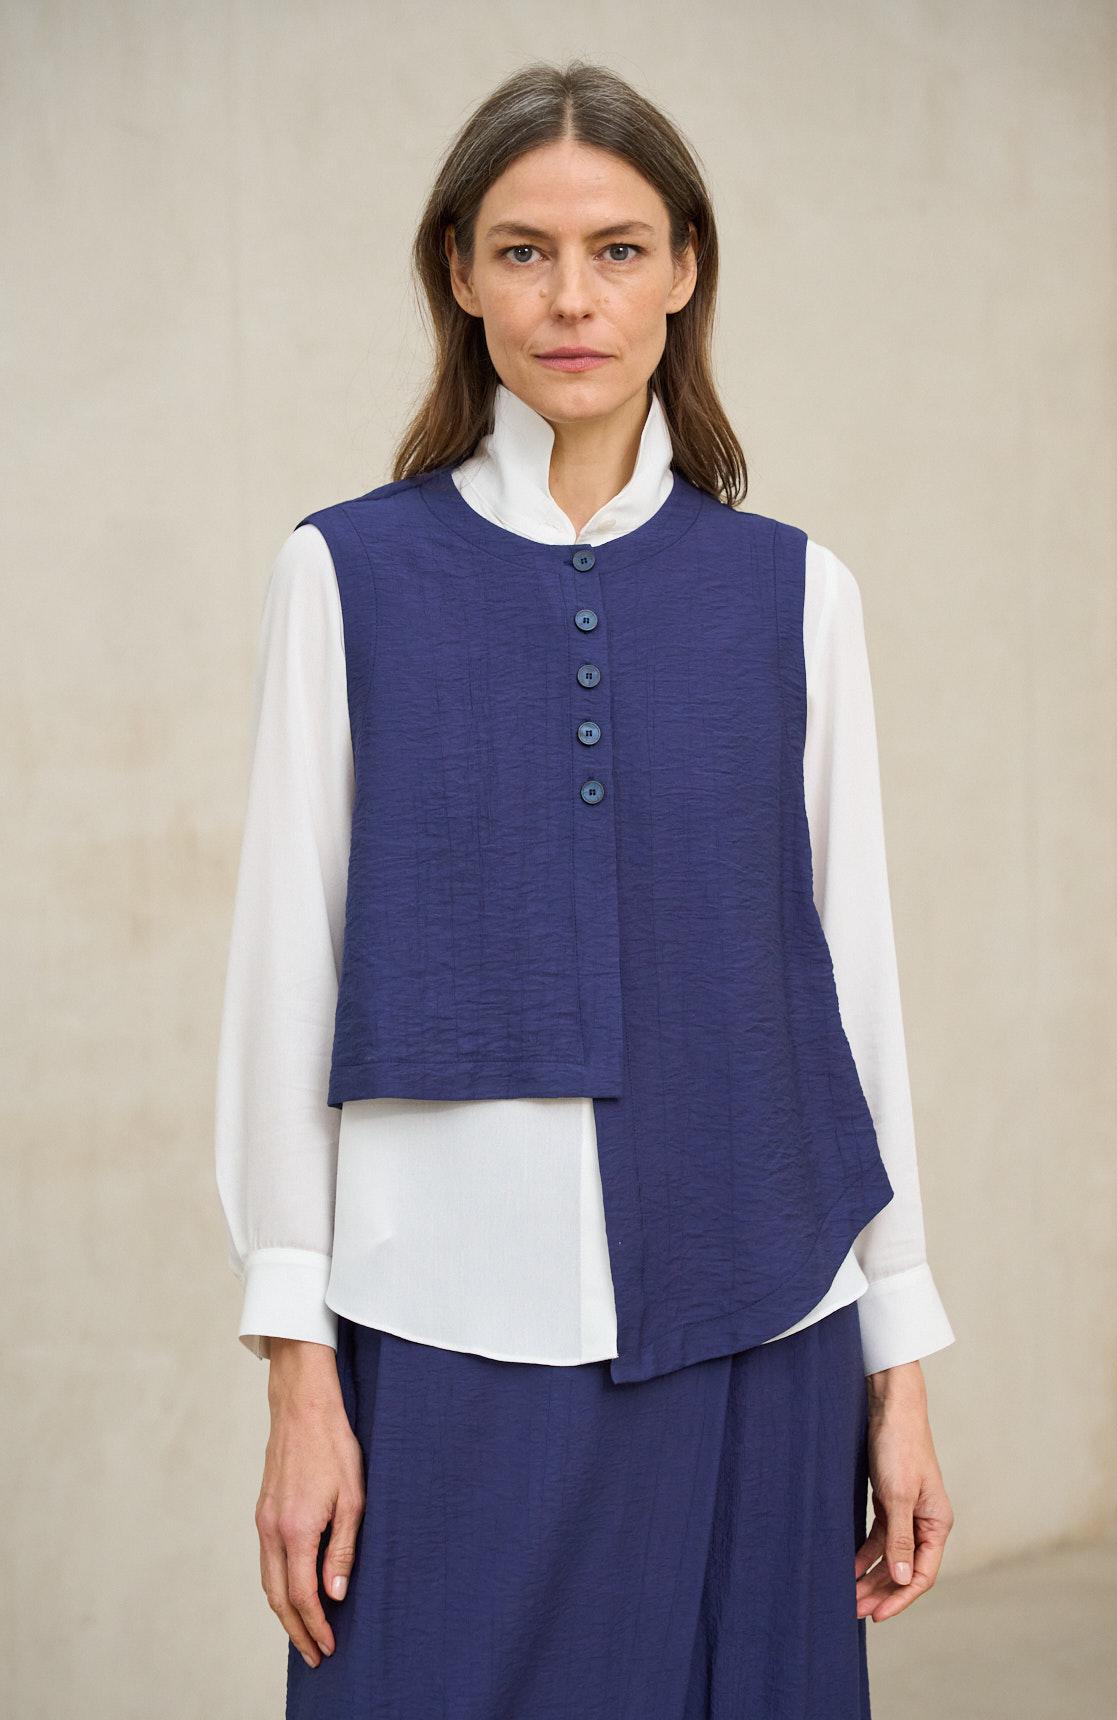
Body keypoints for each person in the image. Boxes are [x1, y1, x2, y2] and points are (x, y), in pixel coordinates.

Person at [214, 58, 957, 1719]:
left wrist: (898, 1358)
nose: (572, 297)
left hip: (764, 1317)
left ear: (684, 269)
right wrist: (298, 1373)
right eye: (525, 251)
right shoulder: (344, 576)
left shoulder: (796, 594)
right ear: (460, 275)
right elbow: (285, 975)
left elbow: (852, 994)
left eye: (618, 250)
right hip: (439, 1314)